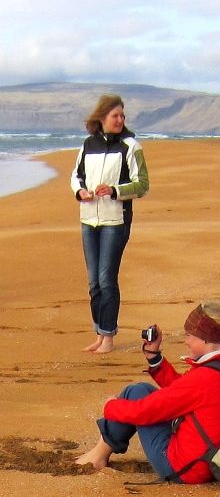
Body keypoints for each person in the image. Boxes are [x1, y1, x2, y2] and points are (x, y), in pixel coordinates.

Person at [76, 301, 220, 483]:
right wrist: (155, 358)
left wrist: (111, 406)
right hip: (211, 458)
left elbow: (146, 411)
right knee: (142, 390)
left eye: (189, 335)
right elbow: (182, 390)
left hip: (185, 468)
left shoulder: (205, 378)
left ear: (206, 340)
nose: (185, 341)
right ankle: (99, 453)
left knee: (134, 393)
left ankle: (98, 456)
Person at [70, 95, 149, 354]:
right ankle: (99, 333)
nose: (120, 120)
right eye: (115, 115)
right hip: (89, 219)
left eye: (122, 116)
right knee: (93, 282)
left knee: (106, 279)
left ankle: (109, 337)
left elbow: (142, 184)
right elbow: (76, 176)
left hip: (116, 221)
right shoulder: (87, 145)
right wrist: (80, 192)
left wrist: (114, 191)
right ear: (101, 117)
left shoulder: (131, 146)